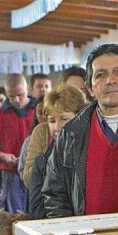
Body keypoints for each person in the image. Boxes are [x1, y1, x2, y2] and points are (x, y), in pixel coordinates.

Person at [43, 44, 118, 217]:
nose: (110, 80)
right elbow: (54, 194)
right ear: (90, 88)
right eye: (100, 75)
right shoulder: (71, 133)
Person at [26, 85, 89, 219]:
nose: (57, 127)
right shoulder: (41, 163)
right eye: (52, 121)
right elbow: (37, 214)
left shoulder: (92, 152)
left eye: (64, 119)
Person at [0, 73, 36, 213]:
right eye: (11, 96)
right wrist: (2, 155)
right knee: (15, 216)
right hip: (11, 173)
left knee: (39, 213)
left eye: (21, 94)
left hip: (38, 171)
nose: (17, 100)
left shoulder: (40, 110)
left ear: (28, 89)